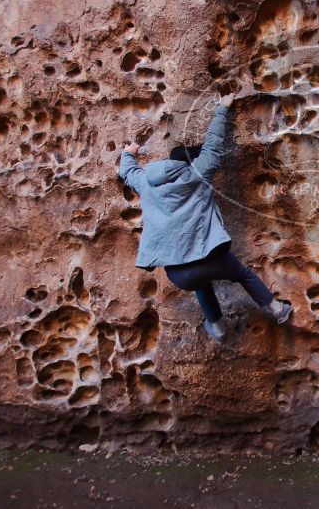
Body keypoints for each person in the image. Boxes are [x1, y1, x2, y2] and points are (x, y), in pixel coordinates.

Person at [118, 90, 292, 343]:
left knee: (200, 283)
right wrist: (223, 106)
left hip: (180, 274)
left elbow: (128, 172)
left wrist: (128, 152)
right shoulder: (196, 174)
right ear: (188, 164)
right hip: (214, 259)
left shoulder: (146, 182)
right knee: (243, 274)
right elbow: (214, 143)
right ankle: (277, 310)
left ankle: (218, 327)